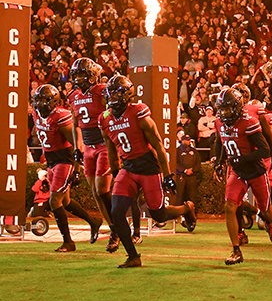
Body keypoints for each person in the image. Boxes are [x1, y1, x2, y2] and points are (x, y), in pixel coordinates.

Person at [98, 75, 197, 268]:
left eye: (117, 95)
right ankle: (133, 256)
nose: (112, 100)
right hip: (128, 168)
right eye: (110, 95)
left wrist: (168, 175)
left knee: (158, 215)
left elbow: (159, 145)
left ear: (127, 96)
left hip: (148, 168)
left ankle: (187, 208)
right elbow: (110, 147)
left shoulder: (138, 113)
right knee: (116, 212)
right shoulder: (105, 119)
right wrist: (116, 170)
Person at [214, 87, 272, 265]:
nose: (224, 113)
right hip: (238, 171)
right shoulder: (219, 122)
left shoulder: (249, 122)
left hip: (255, 170)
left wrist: (243, 158)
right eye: (221, 109)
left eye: (227, 109)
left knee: (266, 210)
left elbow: (264, 150)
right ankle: (236, 250)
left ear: (238, 107)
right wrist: (218, 162)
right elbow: (221, 142)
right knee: (229, 206)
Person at [32, 84, 102, 252]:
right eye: (38, 100)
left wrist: (77, 168)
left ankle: (68, 242)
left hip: (64, 159)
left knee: (54, 201)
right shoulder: (36, 113)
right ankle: (94, 221)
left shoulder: (60, 117)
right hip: (51, 159)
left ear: (53, 101)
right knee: (66, 201)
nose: (40, 104)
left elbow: (77, 142)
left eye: (43, 100)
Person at [67, 57, 120, 253]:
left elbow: (112, 112)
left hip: (104, 144)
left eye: (82, 74)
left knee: (102, 188)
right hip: (88, 147)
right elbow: (75, 124)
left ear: (91, 75)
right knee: (95, 192)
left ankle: (117, 227)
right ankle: (114, 227)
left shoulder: (101, 91)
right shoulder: (73, 96)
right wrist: (76, 147)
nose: (79, 79)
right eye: (77, 75)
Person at [176, 134, 201, 209]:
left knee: (192, 196)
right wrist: (185, 170)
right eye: (187, 140)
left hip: (192, 176)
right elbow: (176, 163)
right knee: (180, 196)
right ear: (182, 141)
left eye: (189, 139)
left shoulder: (194, 151)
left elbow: (198, 162)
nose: (189, 141)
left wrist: (192, 170)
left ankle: (192, 214)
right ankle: (178, 214)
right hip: (181, 176)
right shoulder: (177, 151)